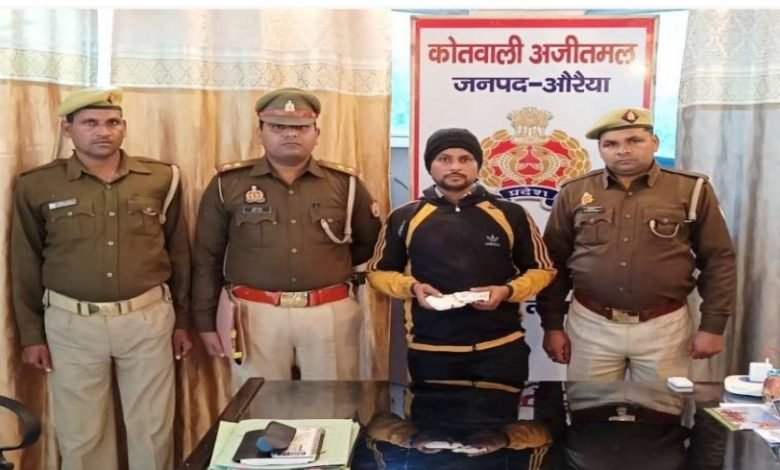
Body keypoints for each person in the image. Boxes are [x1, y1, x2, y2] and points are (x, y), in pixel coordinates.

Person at [11, 87, 192, 470]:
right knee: (82, 434)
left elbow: (179, 253)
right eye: (90, 123)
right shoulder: (37, 185)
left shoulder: (161, 177)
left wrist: (184, 322)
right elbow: (25, 261)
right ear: (68, 129)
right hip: (71, 324)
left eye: (113, 122)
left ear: (124, 127)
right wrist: (31, 334)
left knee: (152, 429)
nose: (103, 131)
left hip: (147, 319)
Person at [192, 87, 381, 388]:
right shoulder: (228, 184)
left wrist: (324, 267)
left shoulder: (346, 184)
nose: (291, 134)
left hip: (328, 313)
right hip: (255, 315)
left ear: (317, 133)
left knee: (332, 405)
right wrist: (204, 321)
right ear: (260, 133)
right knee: (260, 406)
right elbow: (207, 257)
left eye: (301, 127)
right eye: (278, 127)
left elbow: (369, 244)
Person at [537, 107, 737, 381]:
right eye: (611, 144)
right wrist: (552, 325)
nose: (623, 150)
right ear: (600, 149)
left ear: (654, 143)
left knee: (662, 406)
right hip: (591, 326)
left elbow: (718, 260)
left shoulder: (691, 189)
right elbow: (553, 262)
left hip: (665, 326)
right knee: (590, 405)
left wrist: (712, 326)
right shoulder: (575, 191)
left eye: (634, 140)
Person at [367, 128, 556, 384]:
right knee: (429, 412)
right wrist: (412, 288)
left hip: (501, 348)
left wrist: (507, 291)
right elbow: (378, 272)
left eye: (465, 159)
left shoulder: (512, 214)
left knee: (501, 412)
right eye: (444, 159)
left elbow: (543, 270)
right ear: (430, 165)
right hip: (430, 349)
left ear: (478, 165)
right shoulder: (404, 217)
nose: (455, 166)